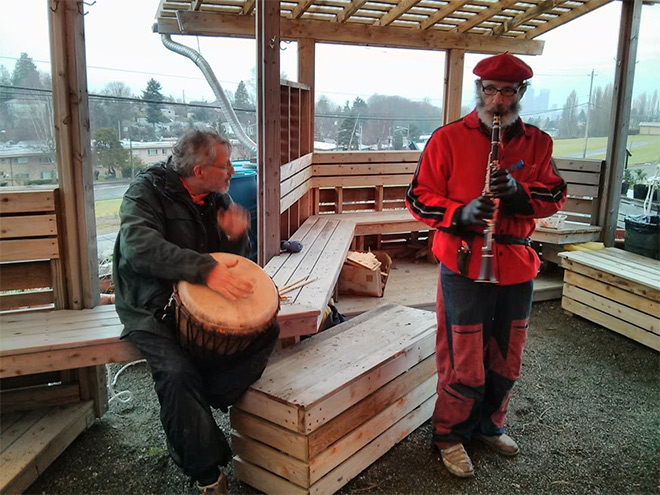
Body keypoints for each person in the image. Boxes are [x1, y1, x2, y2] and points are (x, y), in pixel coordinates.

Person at [406, 52, 567, 478]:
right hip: (462, 262)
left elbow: (555, 195)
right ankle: (450, 435)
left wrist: (519, 194)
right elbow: (418, 196)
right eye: (490, 90)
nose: (498, 100)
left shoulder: (538, 143)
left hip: (514, 262)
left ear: (521, 94)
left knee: (507, 351)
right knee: (462, 354)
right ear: (479, 91)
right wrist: (459, 212)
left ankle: (488, 426)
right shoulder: (447, 139)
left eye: (508, 91)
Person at [113, 129, 279, 494]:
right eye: (225, 165)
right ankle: (207, 474)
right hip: (150, 302)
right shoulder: (146, 192)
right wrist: (204, 268)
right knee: (175, 373)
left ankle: (203, 401)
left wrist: (236, 237)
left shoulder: (216, 198)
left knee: (268, 328)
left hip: (201, 301)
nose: (233, 171)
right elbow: (140, 248)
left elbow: (235, 261)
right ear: (200, 170)